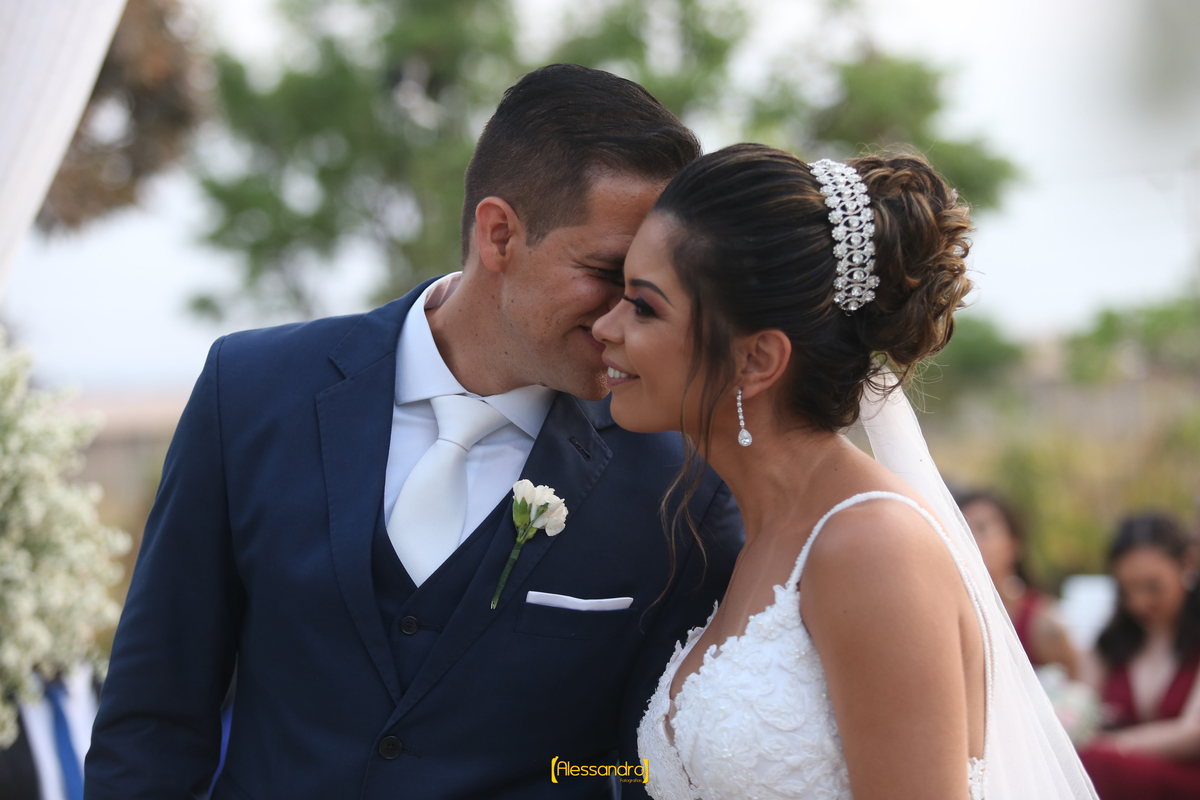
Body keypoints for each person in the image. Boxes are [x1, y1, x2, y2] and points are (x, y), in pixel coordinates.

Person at [84, 64, 743, 800]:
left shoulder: (684, 481)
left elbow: (642, 768)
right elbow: (152, 722)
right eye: (609, 273)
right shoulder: (249, 391)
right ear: (499, 235)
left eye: (652, 290)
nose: (627, 318)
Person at [592, 144, 1097, 799]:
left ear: (757, 360)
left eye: (644, 306)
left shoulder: (872, 546)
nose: (605, 326)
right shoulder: (763, 539)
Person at [1079, 513, 1200, 799]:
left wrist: (1114, 747)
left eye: (1153, 586)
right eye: (1127, 590)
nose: (1139, 602)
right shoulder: (1109, 645)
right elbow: (1082, 705)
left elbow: (1194, 730)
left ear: (1188, 565)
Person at [959, 490, 1080, 676]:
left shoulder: (1042, 622)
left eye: (982, 529)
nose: (971, 540)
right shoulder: (954, 612)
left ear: (1013, 544)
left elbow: (1072, 686)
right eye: (962, 530)